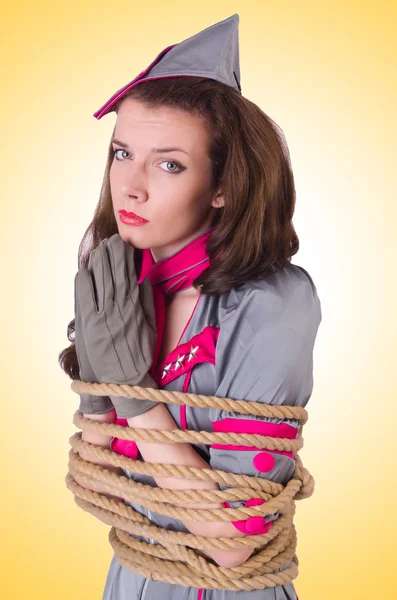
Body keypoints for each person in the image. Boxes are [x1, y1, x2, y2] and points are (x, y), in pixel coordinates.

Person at [59, 14, 322, 600]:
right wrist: (103, 383)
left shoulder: (271, 305)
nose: (131, 185)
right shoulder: (126, 288)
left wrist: (134, 394)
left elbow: (231, 543)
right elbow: (99, 493)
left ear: (223, 184)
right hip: (129, 583)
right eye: (123, 153)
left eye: (169, 163)